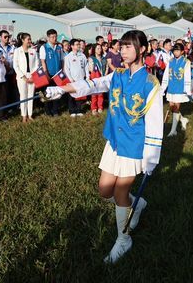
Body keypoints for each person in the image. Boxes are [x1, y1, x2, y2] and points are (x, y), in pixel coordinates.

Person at [45, 30, 162, 264]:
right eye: (121, 46)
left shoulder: (151, 83)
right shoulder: (116, 74)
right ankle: (137, 205)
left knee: (119, 192)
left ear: (142, 50)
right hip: (114, 141)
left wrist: (152, 157)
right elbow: (93, 84)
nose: (122, 50)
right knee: (104, 191)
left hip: (134, 144)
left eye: (128, 46)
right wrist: (61, 89)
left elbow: (155, 123)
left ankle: (123, 239)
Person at [161, 43, 191, 136]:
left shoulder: (186, 62)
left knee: (176, 107)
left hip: (180, 88)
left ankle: (173, 130)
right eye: (174, 50)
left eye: (178, 50)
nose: (176, 52)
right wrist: (163, 88)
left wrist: (187, 89)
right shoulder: (170, 61)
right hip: (171, 87)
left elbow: (187, 76)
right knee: (172, 107)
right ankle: (183, 120)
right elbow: (166, 75)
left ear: (182, 52)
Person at [13, 33, 38, 122]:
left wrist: (32, 76)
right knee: (23, 96)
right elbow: (15, 66)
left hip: (32, 76)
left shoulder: (33, 51)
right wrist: (23, 77)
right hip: (21, 77)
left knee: (31, 95)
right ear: (23, 40)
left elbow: (36, 65)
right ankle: (24, 115)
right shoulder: (17, 51)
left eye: (30, 39)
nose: (30, 41)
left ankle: (30, 114)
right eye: (28, 39)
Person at [39, 29, 64, 116]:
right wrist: (46, 73)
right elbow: (43, 62)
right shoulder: (44, 47)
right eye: (52, 37)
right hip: (48, 74)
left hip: (58, 74)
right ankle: (47, 111)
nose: (54, 38)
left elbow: (62, 60)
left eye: (55, 36)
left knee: (56, 93)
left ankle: (55, 110)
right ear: (48, 38)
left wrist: (62, 71)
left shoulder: (59, 48)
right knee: (48, 93)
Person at [63, 39, 89, 117]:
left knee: (79, 95)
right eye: (77, 44)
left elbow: (86, 67)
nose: (79, 46)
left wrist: (87, 76)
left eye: (79, 44)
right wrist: (71, 79)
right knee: (71, 96)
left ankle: (79, 109)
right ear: (72, 46)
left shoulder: (82, 55)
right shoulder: (68, 57)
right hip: (72, 80)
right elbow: (66, 69)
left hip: (81, 79)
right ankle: (72, 111)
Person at [88, 42, 108, 115]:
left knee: (100, 93)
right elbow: (90, 69)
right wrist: (93, 64)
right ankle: (94, 108)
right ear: (94, 50)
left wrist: (105, 74)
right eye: (98, 48)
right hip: (94, 78)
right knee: (94, 94)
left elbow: (106, 67)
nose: (99, 50)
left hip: (102, 78)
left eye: (100, 48)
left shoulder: (103, 58)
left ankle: (100, 107)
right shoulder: (91, 58)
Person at [0, 30, 17, 107]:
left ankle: (11, 107)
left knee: (11, 91)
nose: (7, 38)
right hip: (2, 75)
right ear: (0, 37)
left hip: (11, 73)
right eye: (5, 37)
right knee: (3, 94)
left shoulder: (12, 48)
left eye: (8, 37)